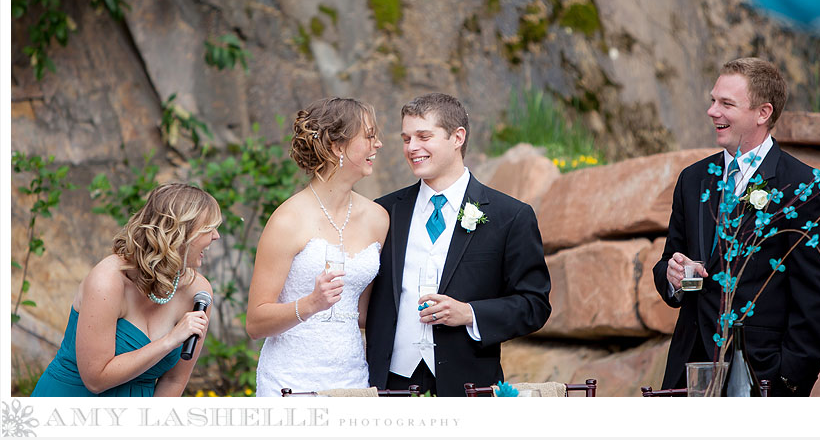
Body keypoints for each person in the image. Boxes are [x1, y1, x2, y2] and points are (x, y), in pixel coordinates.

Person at [653, 57, 820, 396]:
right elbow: (670, 259)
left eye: (726, 104)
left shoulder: (805, 189)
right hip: (689, 376)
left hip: (761, 379)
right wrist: (673, 277)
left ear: (763, 113)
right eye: (713, 101)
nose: (713, 111)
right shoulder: (693, 180)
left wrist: (786, 381)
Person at [365, 92, 552, 396]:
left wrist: (470, 313)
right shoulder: (384, 212)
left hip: (467, 386)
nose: (412, 148)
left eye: (424, 136)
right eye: (406, 138)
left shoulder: (510, 215)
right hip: (390, 385)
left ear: (457, 137)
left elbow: (534, 305)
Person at [247, 97, 389, 396]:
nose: (378, 144)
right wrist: (311, 304)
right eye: (369, 135)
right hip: (290, 381)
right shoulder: (288, 220)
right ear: (338, 147)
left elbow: (364, 314)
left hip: (351, 378)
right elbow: (256, 323)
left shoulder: (377, 219)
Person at [31, 183, 221, 396]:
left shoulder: (199, 292)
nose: (216, 236)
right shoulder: (108, 281)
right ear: (180, 231)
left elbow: (174, 379)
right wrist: (169, 341)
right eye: (208, 229)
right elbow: (96, 379)